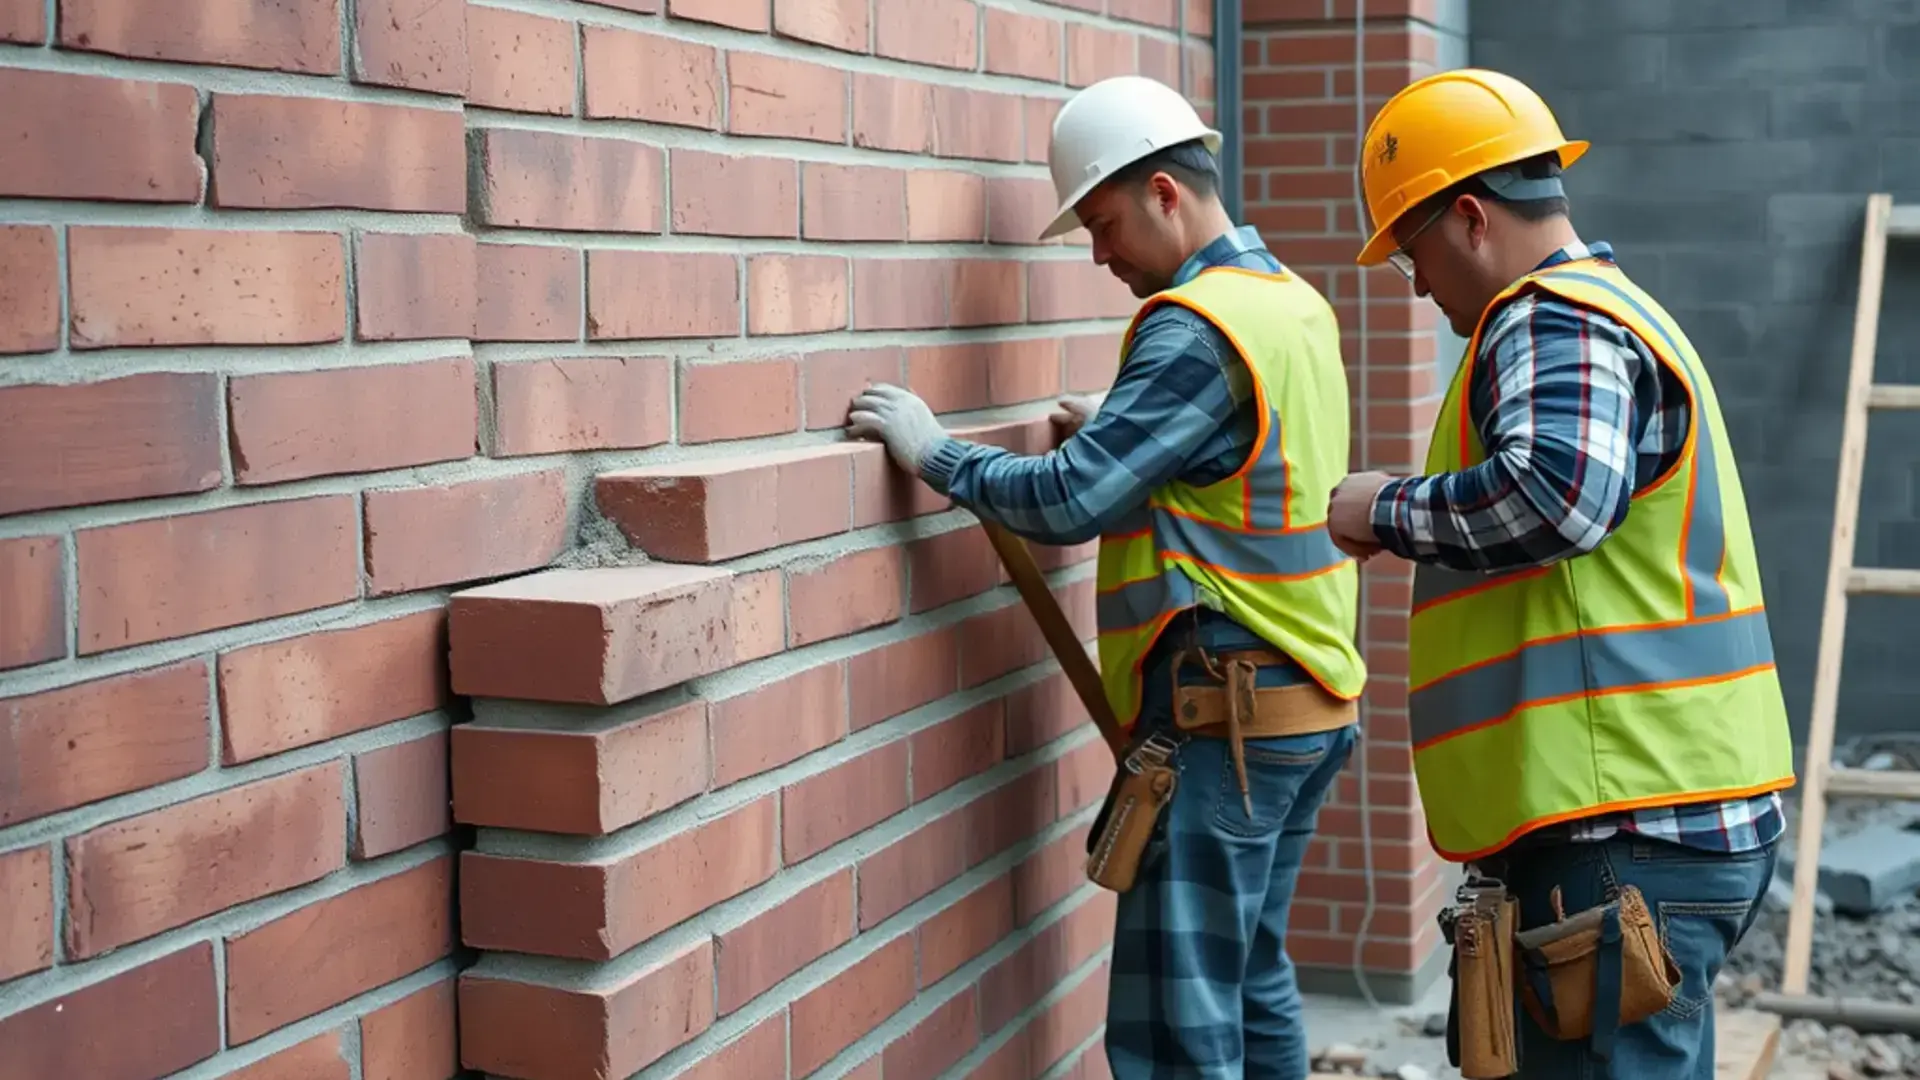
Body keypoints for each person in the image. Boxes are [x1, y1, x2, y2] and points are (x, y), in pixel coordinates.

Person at [848, 75, 1366, 1080]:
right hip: (1307, 709)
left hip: (1229, 731)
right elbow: (1245, 469)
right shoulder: (1289, 306)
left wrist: (936, 454)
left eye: (1104, 221)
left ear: (1167, 193)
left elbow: (1069, 502)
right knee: (1250, 984)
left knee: (1178, 1031)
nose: (1099, 253)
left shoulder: (1193, 326)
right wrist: (1140, 441)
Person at [1325, 68, 1796, 1078]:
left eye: (1414, 253)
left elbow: (1560, 497)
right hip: (1666, 818)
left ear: (1470, 216)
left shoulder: (1549, 316)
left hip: (1620, 832)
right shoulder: (1618, 308)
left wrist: (1385, 509)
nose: (1417, 285)